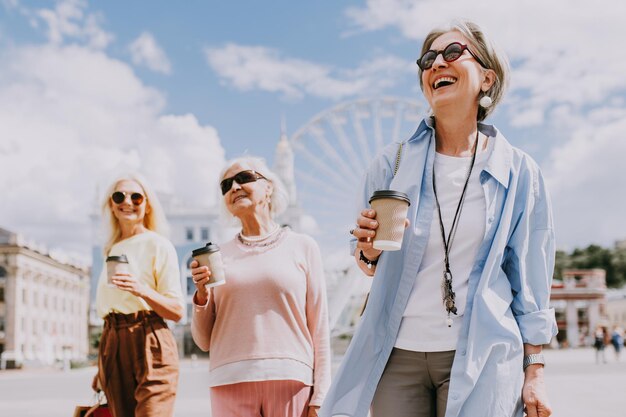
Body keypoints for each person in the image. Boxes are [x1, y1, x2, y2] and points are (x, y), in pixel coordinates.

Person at [320, 20, 556, 417]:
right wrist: (366, 250)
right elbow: (368, 264)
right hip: (397, 355)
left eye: (452, 53)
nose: (435, 64)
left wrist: (534, 372)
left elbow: (530, 280)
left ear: (486, 78)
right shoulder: (390, 164)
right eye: (428, 59)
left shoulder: (520, 172)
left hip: (483, 354)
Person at [191, 157, 331, 417]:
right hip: (228, 381)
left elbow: (319, 328)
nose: (234, 187)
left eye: (244, 178)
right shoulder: (217, 256)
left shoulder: (303, 246)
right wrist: (202, 295)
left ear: (269, 188)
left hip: (292, 380)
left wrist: (321, 396)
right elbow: (203, 341)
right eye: (226, 185)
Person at [91, 174, 185, 417]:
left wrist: (141, 289)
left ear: (147, 204)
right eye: (119, 196)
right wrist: (102, 366)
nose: (128, 202)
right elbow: (111, 307)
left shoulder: (159, 245)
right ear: (111, 205)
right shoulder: (110, 249)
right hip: (112, 341)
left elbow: (176, 310)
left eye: (136, 196)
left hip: (149, 337)